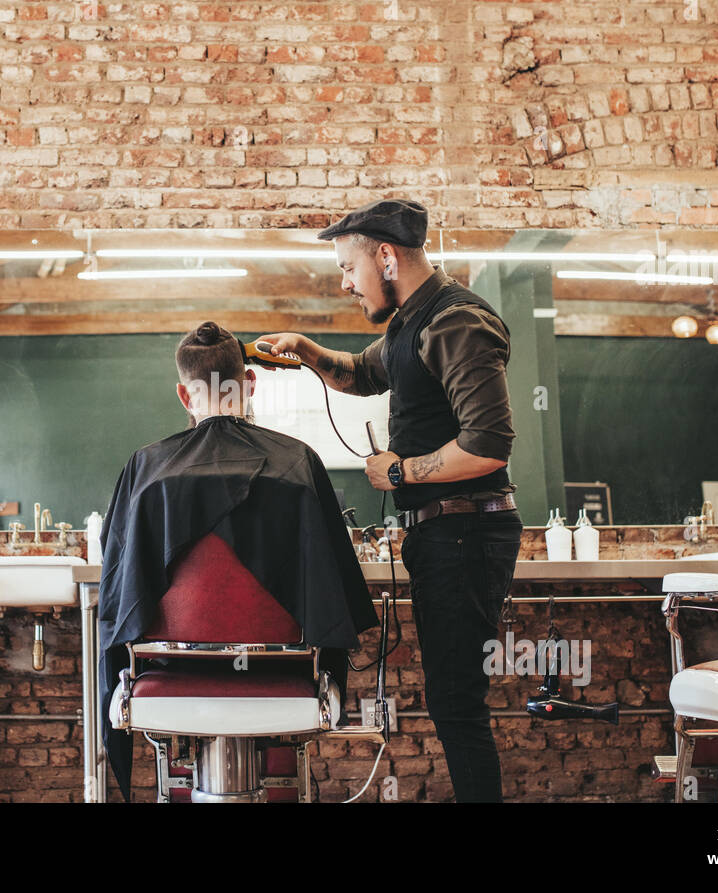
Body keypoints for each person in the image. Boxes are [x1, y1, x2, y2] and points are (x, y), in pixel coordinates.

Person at [260, 198, 523, 803]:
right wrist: (306, 350)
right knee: (452, 700)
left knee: (457, 703)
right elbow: (358, 372)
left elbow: (488, 447)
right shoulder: (412, 322)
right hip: (445, 536)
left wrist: (402, 471)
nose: (345, 283)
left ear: (385, 256)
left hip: (466, 534)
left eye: (349, 268)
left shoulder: (455, 322)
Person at [97, 321, 378, 801]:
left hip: (170, 672)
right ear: (249, 384)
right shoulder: (298, 463)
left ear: (185, 396)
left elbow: (118, 585)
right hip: (282, 672)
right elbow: (331, 584)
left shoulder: (146, 469)